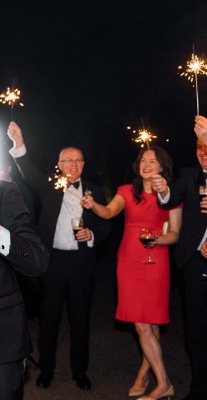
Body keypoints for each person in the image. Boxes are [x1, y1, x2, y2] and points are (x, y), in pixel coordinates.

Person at [8, 121, 111, 391]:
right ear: (59, 164)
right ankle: (47, 370)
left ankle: (80, 372)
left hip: (81, 264)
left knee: (80, 320)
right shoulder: (49, 186)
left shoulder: (94, 191)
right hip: (52, 263)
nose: (73, 164)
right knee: (49, 319)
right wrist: (19, 144)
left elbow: (107, 223)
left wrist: (93, 235)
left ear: (83, 165)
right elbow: (28, 173)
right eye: (68, 160)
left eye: (78, 160)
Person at [83, 146, 180, 399]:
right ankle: (153, 375)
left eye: (153, 160)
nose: (146, 163)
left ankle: (159, 381)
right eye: (143, 160)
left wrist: (155, 240)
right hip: (128, 262)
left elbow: (174, 234)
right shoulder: (126, 191)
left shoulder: (171, 195)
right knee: (143, 323)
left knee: (149, 321)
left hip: (156, 261)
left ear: (163, 167)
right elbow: (109, 212)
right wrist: (94, 205)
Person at [152, 115, 207, 400]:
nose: (202, 151)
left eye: (206, 145)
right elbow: (172, 198)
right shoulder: (188, 175)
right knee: (196, 332)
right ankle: (199, 388)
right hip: (195, 263)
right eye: (198, 146)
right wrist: (163, 191)